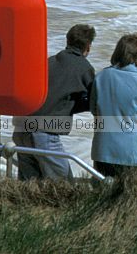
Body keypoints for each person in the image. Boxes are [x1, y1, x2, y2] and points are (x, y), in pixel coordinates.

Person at [12, 24, 96, 180]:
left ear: (68, 41)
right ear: (88, 46)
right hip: (43, 133)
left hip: (21, 129)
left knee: (29, 185)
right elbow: (95, 102)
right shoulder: (84, 68)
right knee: (64, 185)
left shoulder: (49, 61)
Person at [91, 33, 137, 180]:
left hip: (102, 148)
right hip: (129, 151)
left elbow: (93, 109)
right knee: (126, 195)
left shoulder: (101, 77)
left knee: (100, 194)